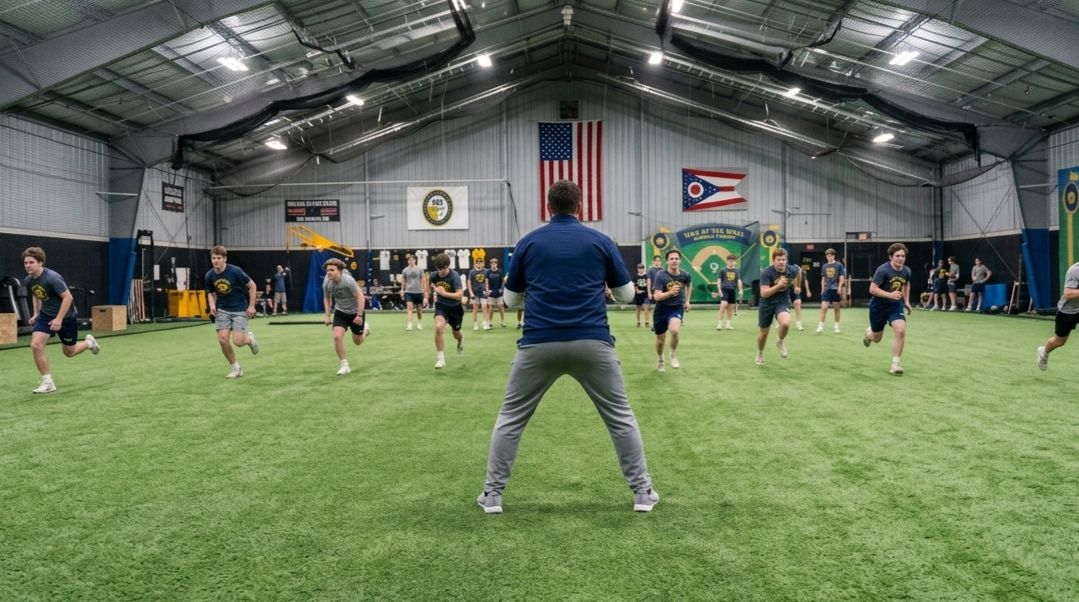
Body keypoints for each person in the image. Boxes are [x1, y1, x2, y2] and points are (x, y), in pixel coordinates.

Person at [478, 180, 657, 514]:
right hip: (592, 341)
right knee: (620, 419)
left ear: (548, 207)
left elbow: (510, 299)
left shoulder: (528, 243)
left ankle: (492, 495)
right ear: (580, 207)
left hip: (537, 343)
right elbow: (627, 296)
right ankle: (643, 493)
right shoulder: (601, 241)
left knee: (510, 420)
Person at [21, 247, 100, 394]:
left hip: (66, 317)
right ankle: (48, 382)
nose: (27, 265)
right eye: (26, 263)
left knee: (69, 352)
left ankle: (89, 343)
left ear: (40, 263)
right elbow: (36, 294)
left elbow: (68, 298)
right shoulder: (28, 280)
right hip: (45, 315)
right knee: (36, 345)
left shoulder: (52, 277)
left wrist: (59, 319)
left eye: (31, 262)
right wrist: (36, 313)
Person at [205, 245, 259, 378]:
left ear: (224, 259)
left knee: (238, 342)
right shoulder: (209, 275)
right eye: (213, 258)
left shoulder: (235, 271)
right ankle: (236, 369)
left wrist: (251, 306)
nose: (215, 261)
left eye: (218, 258)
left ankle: (249, 339)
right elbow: (210, 293)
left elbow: (252, 286)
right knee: (223, 340)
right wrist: (212, 305)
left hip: (239, 309)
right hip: (222, 310)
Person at [863, 243, 913, 375]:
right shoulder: (882, 270)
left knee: (901, 330)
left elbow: (906, 283)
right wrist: (890, 295)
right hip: (878, 307)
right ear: (891, 257)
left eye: (902, 256)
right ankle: (869, 333)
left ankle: (895, 365)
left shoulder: (907, 271)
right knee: (877, 338)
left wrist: (906, 301)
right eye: (897, 256)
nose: (900, 258)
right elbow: (872, 289)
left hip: (895, 306)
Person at [323, 258, 369, 375]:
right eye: (327, 270)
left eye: (332, 270)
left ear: (339, 271)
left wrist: (359, 315)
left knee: (357, 342)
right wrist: (327, 316)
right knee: (337, 336)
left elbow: (360, 297)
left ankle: (365, 330)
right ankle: (344, 365)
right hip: (341, 312)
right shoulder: (327, 282)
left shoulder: (348, 280)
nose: (329, 272)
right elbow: (327, 298)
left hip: (355, 312)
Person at [755, 248, 799, 365]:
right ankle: (760, 353)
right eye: (778, 259)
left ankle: (780, 341)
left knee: (785, 323)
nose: (781, 262)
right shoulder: (766, 272)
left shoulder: (791, 270)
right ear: (773, 260)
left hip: (782, 302)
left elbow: (799, 271)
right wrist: (778, 286)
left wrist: (797, 286)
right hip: (766, 304)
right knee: (764, 333)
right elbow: (764, 293)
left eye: (783, 259)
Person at [651, 248, 692, 372]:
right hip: (661, 309)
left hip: (676, 307)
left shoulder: (685, 275)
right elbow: (657, 296)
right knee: (660, 340)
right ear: (667, 261)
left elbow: (689, 285)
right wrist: (670, 292)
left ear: (680, 261)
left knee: (674, 330)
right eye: (671, 259)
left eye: (676, 259)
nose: (674, 261)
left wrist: (687, 301)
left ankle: (673, 355)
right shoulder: (661, 275)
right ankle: (660, 359)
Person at [1037, 261, 1079, 371]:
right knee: (1060, 341)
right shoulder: (1075, 270)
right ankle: (1044, 352)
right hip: (1068, 311)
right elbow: (1068, 294)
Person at [429, 253, 465, 368]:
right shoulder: (434, 276)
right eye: (439, 269)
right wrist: (430, 295)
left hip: (455, 308)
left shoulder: (454, 276)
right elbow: (430, 285)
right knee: (439, 327)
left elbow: (460, 295)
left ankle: (460, 340)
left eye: (444, 269)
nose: (442, 271)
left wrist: (444, 293)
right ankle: (441, 359)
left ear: (448, 266)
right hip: (441, 306)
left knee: (456, 333)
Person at [817, 249, 846, 333]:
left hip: (835, 289)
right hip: (827, 289)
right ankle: (820, 327)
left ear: (834, 256)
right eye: (827, 256)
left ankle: (836, 327)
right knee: (824, 307)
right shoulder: (824, 266)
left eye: (830, 255)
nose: (829, 257)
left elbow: (841, 276)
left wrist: (840, 287)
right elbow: (823, 278)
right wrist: (822, 288)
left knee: (836, 308)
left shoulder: (839, 265)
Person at [399, 254, 428, 331]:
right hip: (409, 291)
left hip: (418, 291)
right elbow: (403, 280)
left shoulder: (420, 270)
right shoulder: (405, 270)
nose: (411, 261)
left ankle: (419, 323)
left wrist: (424, 293)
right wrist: (402, 290)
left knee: (419, 308)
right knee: (409, 307)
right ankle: (409, 324)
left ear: (415, 261)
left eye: (412, 260)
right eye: (409, 260)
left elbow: (423, 281)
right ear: (408, 261)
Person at [714, 254, 742, 331]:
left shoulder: (737, 271)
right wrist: (719, 289)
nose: (731, 262)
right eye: (730, 261)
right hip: (724, 289)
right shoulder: (722, 270)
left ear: (735, 262)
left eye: (733, 261)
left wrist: (740, 290)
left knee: (730, 308)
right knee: (723, 305)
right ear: (727, 261)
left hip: (733, 290)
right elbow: (719, 280)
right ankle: (719, 324)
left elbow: (739, 280)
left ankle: (728, 324)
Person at [468, 258, 490, 330]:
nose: (479, 263)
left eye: (480, 262)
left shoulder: (486, 271)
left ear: (482, 263)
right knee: (475, 308)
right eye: (477, 262)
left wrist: (487, 290)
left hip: (483, 291)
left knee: (484, 307)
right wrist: (471, 292)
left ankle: (486, 323)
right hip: (475, 292)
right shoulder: (472, 272)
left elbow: (486, 281)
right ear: (475, 264)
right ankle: (475, 324)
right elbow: (469, 282)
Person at [788, 263, 810, 330]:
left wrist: (798, 286)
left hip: (793, 288)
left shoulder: (794, 269)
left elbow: (799, 271)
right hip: (784, 289)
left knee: (797, 303)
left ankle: (799, 324)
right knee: (785, 305)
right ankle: (781, 321)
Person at [486, 258, 506, 327]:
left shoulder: (500, 271)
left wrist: (502, 289)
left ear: (496, 264)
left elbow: (502, 281)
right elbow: (486, 281)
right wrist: (487, 290)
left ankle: (503, 321)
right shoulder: (488, 272)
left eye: (494, 263)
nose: (493, 264)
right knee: (491, 307)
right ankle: (490, 322)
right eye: (492, 263)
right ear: (490, 264)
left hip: (498, 291)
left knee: (501, 306)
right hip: (491, 292)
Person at [632, 263, 651, 327]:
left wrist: (649, 293)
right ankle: (638, 321)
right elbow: (633, 285)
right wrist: (636, 290)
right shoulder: (635, 277)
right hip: (638, 294)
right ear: (637, 269)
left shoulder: (647, 276)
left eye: (642, 268)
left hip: (645, 294)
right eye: (640, 269)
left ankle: (647, 321)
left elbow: (648, 285)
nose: (641, 270)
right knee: (638, 308)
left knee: (646, 307)